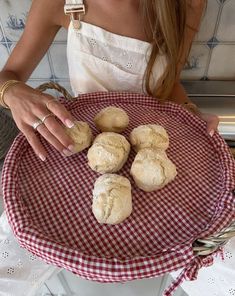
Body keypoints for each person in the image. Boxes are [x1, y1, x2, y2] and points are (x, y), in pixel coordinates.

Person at [0, 0, 222, 295]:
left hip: (154, 150)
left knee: (219, 263)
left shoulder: (186, 4)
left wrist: (190, 113)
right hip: (77, 154)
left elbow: (168, 84)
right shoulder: (60, 2)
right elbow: (9, 73)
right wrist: (12, 91)